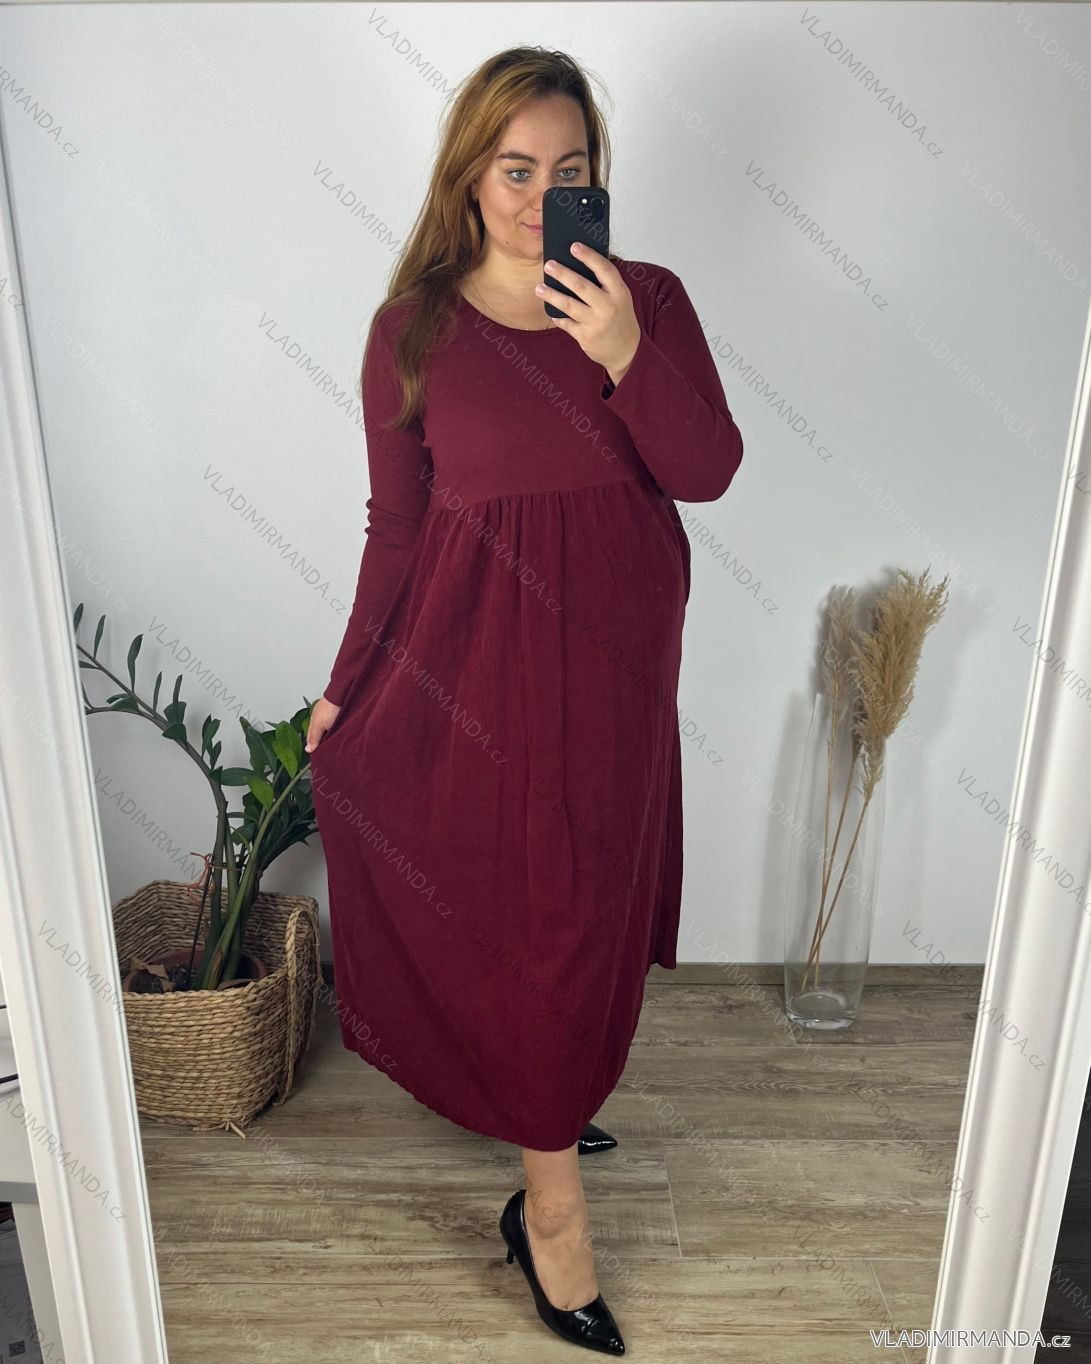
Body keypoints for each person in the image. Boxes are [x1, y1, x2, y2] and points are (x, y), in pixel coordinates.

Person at [305, 45, 743, 1356]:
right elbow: (397, 530)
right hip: (477, 669)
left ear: (598, 178)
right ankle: (551, 1211)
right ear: (468, 175)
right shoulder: (412, 332)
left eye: (571, 169)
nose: (541, 196)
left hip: (618, 664)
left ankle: (551, 1093)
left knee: (591, 899)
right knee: (527, 911)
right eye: (514, 169)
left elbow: (708, 469)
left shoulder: (646, 299)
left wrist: (620, 348)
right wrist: (345, 689)